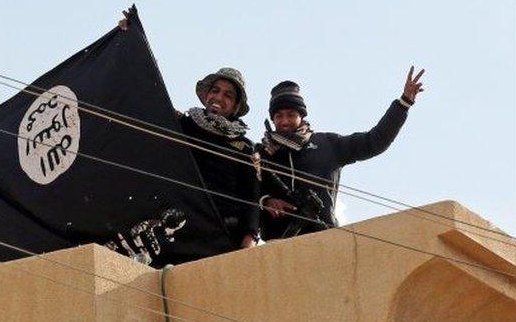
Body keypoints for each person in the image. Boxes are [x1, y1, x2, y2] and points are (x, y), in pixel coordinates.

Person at [258, 67, 425, 239]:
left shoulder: (327, 144)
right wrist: (266, 201)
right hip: (275, 245)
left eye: (291, 115)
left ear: (301, 117)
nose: (284, 121)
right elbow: (244, 190)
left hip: (324, 239)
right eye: (278, 116)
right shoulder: (260, 153)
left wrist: (403, 103)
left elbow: (374, 142)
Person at [178, 67, 260, 250]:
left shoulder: (245, 146)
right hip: (177, 226)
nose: (219, 98)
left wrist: (249, 240)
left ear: (235, 106)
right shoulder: (182, 125)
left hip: (221, 234)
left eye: (228, 95)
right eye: (215, 91)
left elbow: (251, 197)